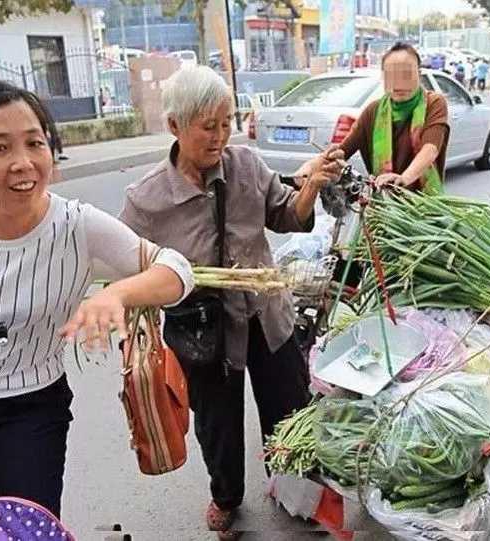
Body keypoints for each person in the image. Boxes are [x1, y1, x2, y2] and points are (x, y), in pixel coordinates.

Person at [0, 79, 194, 519]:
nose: (23, 163)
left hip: (30, 408)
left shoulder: (76, 225)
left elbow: (176, 269)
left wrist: (117, 293)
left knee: (27, 524)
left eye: (35, 143)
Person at [118, 66, 344, 540]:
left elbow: (285, 215)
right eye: (208, 126)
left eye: (227, 122)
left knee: (289, 408)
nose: (221, 136)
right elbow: (129, 268)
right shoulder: (145, 200)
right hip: (202, 331)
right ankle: (226, 497)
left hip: (266, 316)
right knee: (218, 425)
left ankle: (296, 489)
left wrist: (312, 187)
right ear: (176, 126)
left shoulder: (246, 166)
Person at [336, 41, 449, 195]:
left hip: (425, 206)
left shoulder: (434, 103)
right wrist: (313, 168)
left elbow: (430, 149)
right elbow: (342, 152)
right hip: (384, 205)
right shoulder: (373, 111)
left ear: (419, 74)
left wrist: (403, 179)